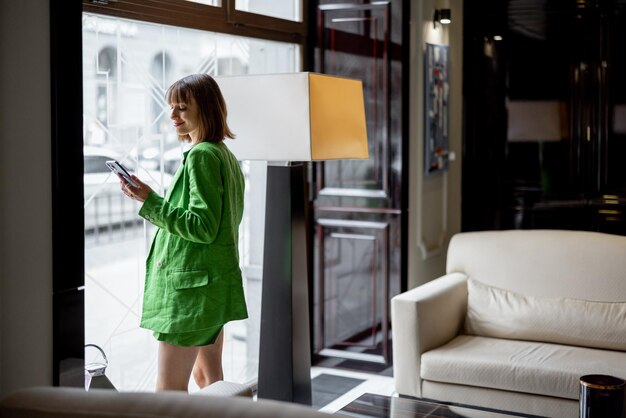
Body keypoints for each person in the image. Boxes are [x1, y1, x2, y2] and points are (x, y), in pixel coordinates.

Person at [117, 73, 247, 392]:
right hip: (210, 285)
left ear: (205, 109)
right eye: (171, 107)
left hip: (190, 291)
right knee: (210, 381)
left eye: (182, 108)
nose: (172, 115)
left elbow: (201, 227)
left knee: (168, 394)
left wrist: (150, 200)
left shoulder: (203, 156)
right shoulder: (223, 154)